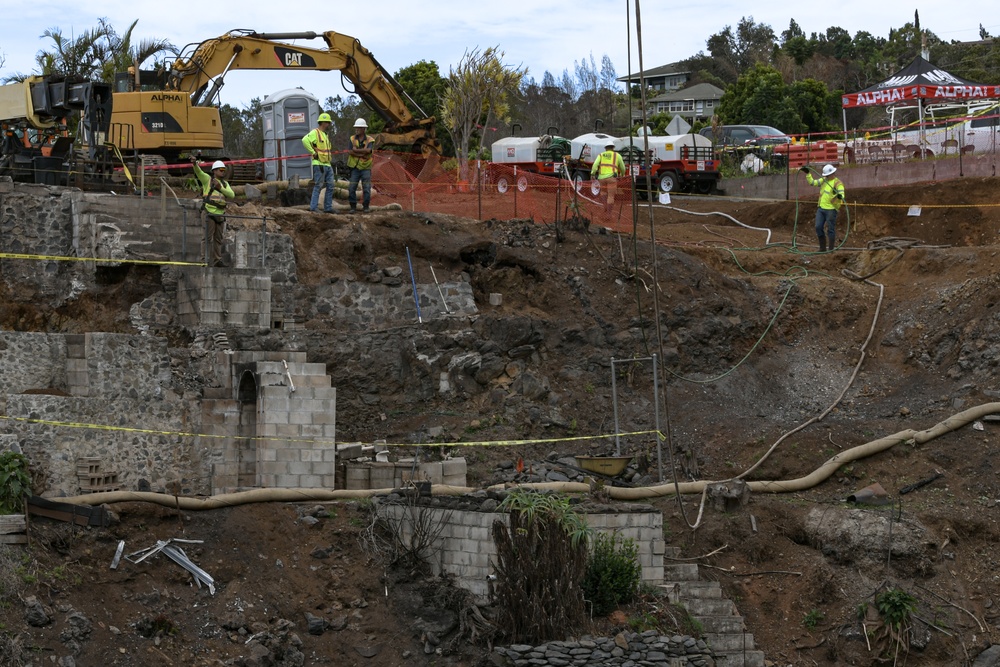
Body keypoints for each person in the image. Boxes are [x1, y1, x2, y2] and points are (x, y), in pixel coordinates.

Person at [190, 157, 234, 267]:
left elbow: (231, 195)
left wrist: (220, 188)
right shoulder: (207, 180)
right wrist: (194, 164)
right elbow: (198, 172)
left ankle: (216, 260)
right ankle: (204, 260)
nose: (222, 172)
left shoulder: (225, 184)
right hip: (209, 212)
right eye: (220, 170)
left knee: (218, 239)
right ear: (214, 171)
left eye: (224, 170)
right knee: (207, 238)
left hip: (220, 214)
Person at [801, 163, 845, 252]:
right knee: (818, 227)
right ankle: (822, 248)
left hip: (831, 209)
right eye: (827, 175)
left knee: (830, 229)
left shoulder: (838, 183)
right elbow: (813, 182)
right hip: (821, 208)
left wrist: (839, 196)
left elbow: (842, 194)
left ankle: (831, 249)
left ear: (832, 173)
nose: (828, 176)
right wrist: (808, 174)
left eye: (828, 175)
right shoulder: (824, 180)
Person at [303, 112, 335, 213]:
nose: (329, 124)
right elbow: (304, 140)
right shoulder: (315, 132)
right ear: (323, 122)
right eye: (327, 122)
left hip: (327, 163)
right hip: (319, 163)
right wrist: (313, 152)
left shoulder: (325, 135)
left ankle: (328, 207)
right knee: (318, 185)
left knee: (330, 185)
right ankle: (313, 207)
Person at [347, 118, 376, 213]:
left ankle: (366, 207)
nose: (356, 129)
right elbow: (350, 151)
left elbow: (369, 151)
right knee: (352, 188)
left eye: (358, 128)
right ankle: (352, 207)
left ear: (363, 129)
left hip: (366, 167)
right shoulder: (352, 138)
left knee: (366, 188)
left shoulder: (370, 140)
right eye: (356, 128)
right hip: (355, 167)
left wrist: (356, 150)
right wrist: (361, 153)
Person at [590, 142, 626, 207]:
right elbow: (623, 167)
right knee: (611, 196)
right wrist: (622, 174)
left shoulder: (601, 155)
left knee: (603, 193)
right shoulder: (617, 155)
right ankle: (609, 214)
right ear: (613, 148)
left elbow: (595, 165)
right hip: (612, 178)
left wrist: (593, 174)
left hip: (601, 178)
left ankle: (605, 207)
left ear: (605, 148)